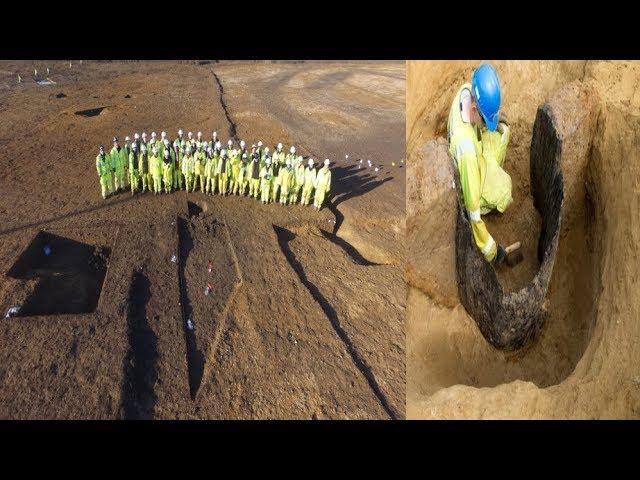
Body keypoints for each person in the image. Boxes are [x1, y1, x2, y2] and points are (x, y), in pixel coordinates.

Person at [447, 63, 512, 263]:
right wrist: (492, 251)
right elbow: (473, 213)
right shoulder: (466, 153)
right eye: (485, 119)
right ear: (475, 109)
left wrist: (494, 119)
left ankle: (493, 167)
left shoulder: (466, 89)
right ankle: (492, 199)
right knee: (505, 190)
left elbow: (487, 126)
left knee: (503, 133)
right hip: (471, 171)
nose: (487, 123)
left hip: (476, 149)